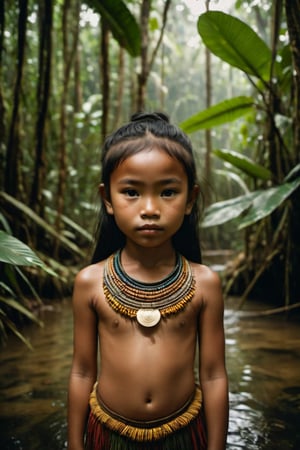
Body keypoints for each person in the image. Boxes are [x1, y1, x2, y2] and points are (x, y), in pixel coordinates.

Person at [67, 112, 228, 450]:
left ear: (191, 199)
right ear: (107, 199)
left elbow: (213, 376)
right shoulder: (90, 282)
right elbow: (82, 372)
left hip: (185, 435)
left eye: (168, 192)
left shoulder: (205, 284)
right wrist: (74, 445)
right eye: (131, 192)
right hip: (109, 435)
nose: (151, 208)